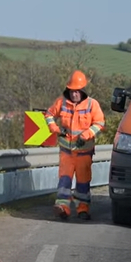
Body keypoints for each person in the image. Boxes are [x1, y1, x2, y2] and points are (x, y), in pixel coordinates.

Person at [44, 70, 106, 220]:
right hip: (66, 151)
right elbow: (49, 115)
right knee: (64, 180)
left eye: (77, 91)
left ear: (83, 90)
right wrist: (56, 129)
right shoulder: (61, 102)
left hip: (84, 152)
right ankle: (63, 207)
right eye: (72, 91)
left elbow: (100, 123)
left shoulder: (92, 104)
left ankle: (82, 209)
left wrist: (85, 135)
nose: (74, 94)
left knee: (82, 182)